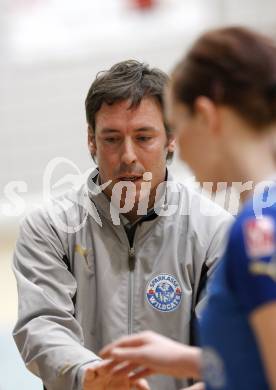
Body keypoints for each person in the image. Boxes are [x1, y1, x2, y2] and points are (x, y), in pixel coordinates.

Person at [13, 60, 231, 390]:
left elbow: (227, 345)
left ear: (170, 138)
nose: (128, 155)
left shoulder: (215, 232)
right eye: (112, 139)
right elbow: (42, 325)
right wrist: (91, 376)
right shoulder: (49, 227)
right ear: (91, 140)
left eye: (144, 137)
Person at [100, 28, 276, 390]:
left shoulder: (258, 228)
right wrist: (185, 359)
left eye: (177, 128)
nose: (180, 153)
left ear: (206, 116)